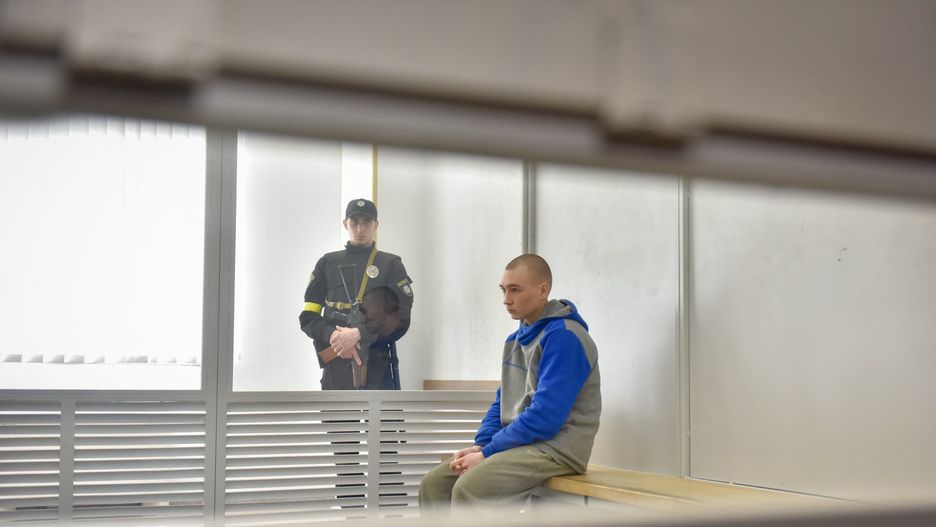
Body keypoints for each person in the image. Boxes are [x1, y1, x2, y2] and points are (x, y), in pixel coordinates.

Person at [418, 254, 601, 513]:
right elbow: (501, 403)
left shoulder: (565, 337)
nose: (506, 299)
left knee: (470, 488)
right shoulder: (514, 340)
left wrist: (488, 453)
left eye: (515, 290)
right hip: (521, 444)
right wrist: (481, 445)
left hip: (557, 449)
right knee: (434, 484)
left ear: (542, 290)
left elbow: (546, 418)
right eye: (504, 290)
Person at [300, 198, 413, 390]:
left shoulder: (391, 265)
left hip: (378, 366)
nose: (360, 229)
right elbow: (308, 317)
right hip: (335, 364)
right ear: (345, 224)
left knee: (382, 420)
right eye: (354, 222)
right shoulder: (327, 263)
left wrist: (360, 333)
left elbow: (402, 318)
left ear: (376, 225)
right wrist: (334, 336)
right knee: (338, 420)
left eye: (367, 222)